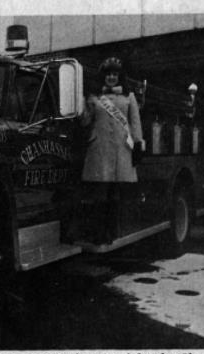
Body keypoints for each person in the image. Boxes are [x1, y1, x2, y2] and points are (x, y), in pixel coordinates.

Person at [81, 57, 145, 244]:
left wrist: (138, 144)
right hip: (99, 150)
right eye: (108, 74)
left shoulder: (129, 97)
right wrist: (84, 103)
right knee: (99, 194)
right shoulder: (94, 97)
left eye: (114, 74)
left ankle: (112, 232)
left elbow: (135, 122)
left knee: (114, 194)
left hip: (120, 150)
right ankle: (99, 233)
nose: (111, 77)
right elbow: (85, 121)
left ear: (120, 77)